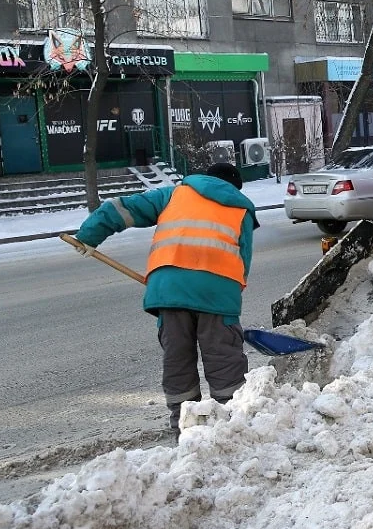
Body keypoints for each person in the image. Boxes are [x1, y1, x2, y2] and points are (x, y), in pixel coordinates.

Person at [72, 162, 259, 431]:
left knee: (177, 360)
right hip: (217, 292)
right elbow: (243, 260)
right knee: (224, 358)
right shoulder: (241, 208)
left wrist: (88, 236)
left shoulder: (174, 194)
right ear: (235, 187)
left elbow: (121, 208)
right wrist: (230, 296)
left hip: (169, 291)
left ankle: (184, 427)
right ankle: (231, 425)